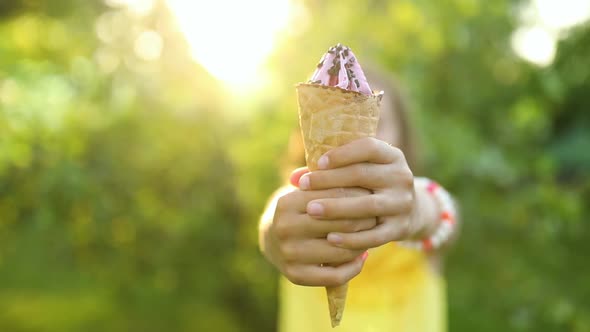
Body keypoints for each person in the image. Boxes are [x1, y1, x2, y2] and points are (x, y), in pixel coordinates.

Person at [259, 68, 459, 332]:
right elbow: (276, 212)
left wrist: (415, 212)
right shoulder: (301, 206)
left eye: (378, 120)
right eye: (334, 120)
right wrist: (273, 233)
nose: (360, 138)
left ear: (402, 134)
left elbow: (442, 214)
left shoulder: (410, 201)